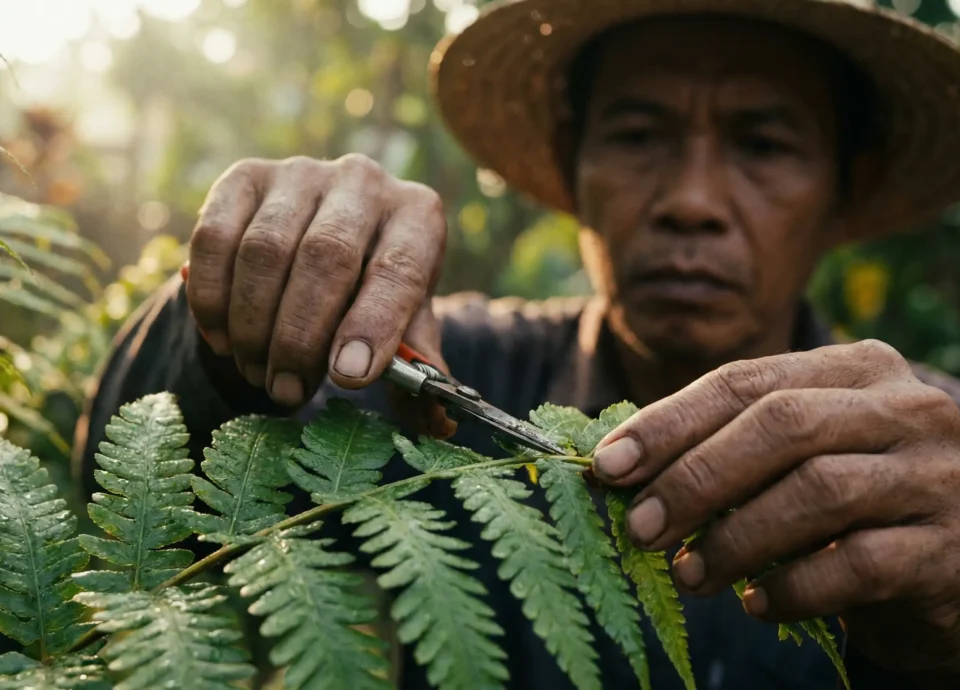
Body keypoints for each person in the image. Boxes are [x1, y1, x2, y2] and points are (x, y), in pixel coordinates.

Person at [72, 0, 960, 688]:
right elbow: (140, 503)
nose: (691, 197)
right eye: (638, 134)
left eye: (763, 143)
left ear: (851, 181)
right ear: (573, 161)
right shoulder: (437, 376)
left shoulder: (935, 463)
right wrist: (235, 322)